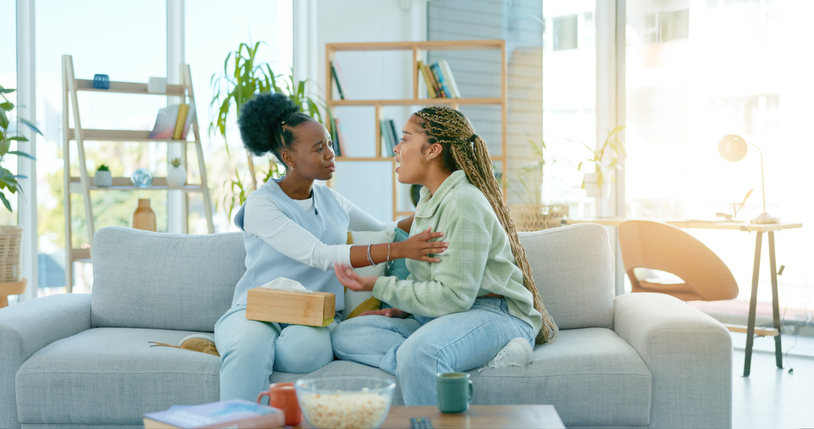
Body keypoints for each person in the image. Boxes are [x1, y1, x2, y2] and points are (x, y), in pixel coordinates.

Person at [214, 93, 448, 402]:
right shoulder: (262, 205)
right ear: (289, 158)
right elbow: (320, 254)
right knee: (247, 348)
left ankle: (262, 354)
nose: (330, 154)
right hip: (258, 310)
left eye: (329, 144)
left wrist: (439, 199)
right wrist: (401, 250)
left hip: (313, 313)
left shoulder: (331, 200)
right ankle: (243, 415)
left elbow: (385, 230)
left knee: (305, 354)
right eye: (318, 148)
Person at [330, 106, 559, 405]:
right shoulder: (430, 199)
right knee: (346, 335)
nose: (396, 149)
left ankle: (427, 363)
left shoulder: (462, 204)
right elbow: (430, 278)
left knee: (418, 353)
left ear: (432, 150)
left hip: (493, 314)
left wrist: (375, 285)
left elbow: (453, 298)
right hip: (437, 317)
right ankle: (440, 364)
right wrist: (405, 308)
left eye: (405, 139)